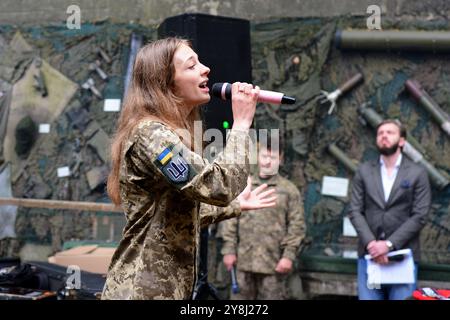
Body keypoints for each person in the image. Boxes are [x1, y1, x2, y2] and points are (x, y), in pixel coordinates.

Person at [101, 37, 278, 300]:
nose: (205, 69)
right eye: (191, 66)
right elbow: (219, 187)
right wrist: (241, 124)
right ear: (166, 82)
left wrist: (237, 205)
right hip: (139, 292)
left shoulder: (169, 134)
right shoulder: (151, 135)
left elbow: (178, 215)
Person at [349, 119, 431, 300]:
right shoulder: (363, 171)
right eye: (380, 133)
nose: (384, 136)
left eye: (390, 132)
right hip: (369, 256)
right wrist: (372, 244)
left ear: (402, 141)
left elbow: (420, 215)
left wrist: (388, 245)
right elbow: (355, 210)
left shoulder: (417, 173)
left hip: (402, 255)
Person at [220, 140, 306, 300]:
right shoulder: (245, 186)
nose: (267, 161)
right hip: (243, 262)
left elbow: (297, 225)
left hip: (274, 265)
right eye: (264, 156)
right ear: (257, 157)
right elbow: (230, 220)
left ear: (281, 159)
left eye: (273, 157)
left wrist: (288, 256)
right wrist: (229, 250)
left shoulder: (289, 190)